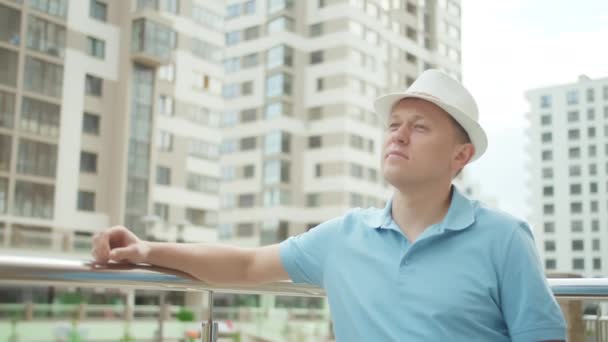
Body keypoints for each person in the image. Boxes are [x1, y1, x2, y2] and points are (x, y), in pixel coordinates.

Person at [92, 69, 566, 341]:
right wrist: (148, 250)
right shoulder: (344, 237)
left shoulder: (504, 239)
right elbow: (248, 263)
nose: (398, 134)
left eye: (420, 127)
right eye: (394, 124)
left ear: (459, 156)